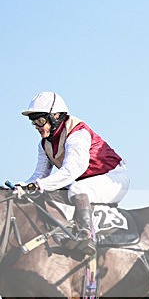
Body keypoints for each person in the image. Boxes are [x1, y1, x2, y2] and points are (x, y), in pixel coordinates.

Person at [20, 91, 129, 255]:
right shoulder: (44, 144)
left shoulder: (78, 133)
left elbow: (72, 170)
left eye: (41, 120)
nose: (37, 126)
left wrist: (37, 185)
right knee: (42, 195)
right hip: (85, 182)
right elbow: (39, 176)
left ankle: (86, 236)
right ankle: (63, 232)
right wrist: (21, 187)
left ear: (56, 116)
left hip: (113, 178)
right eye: (34, 122)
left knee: (77, 189)